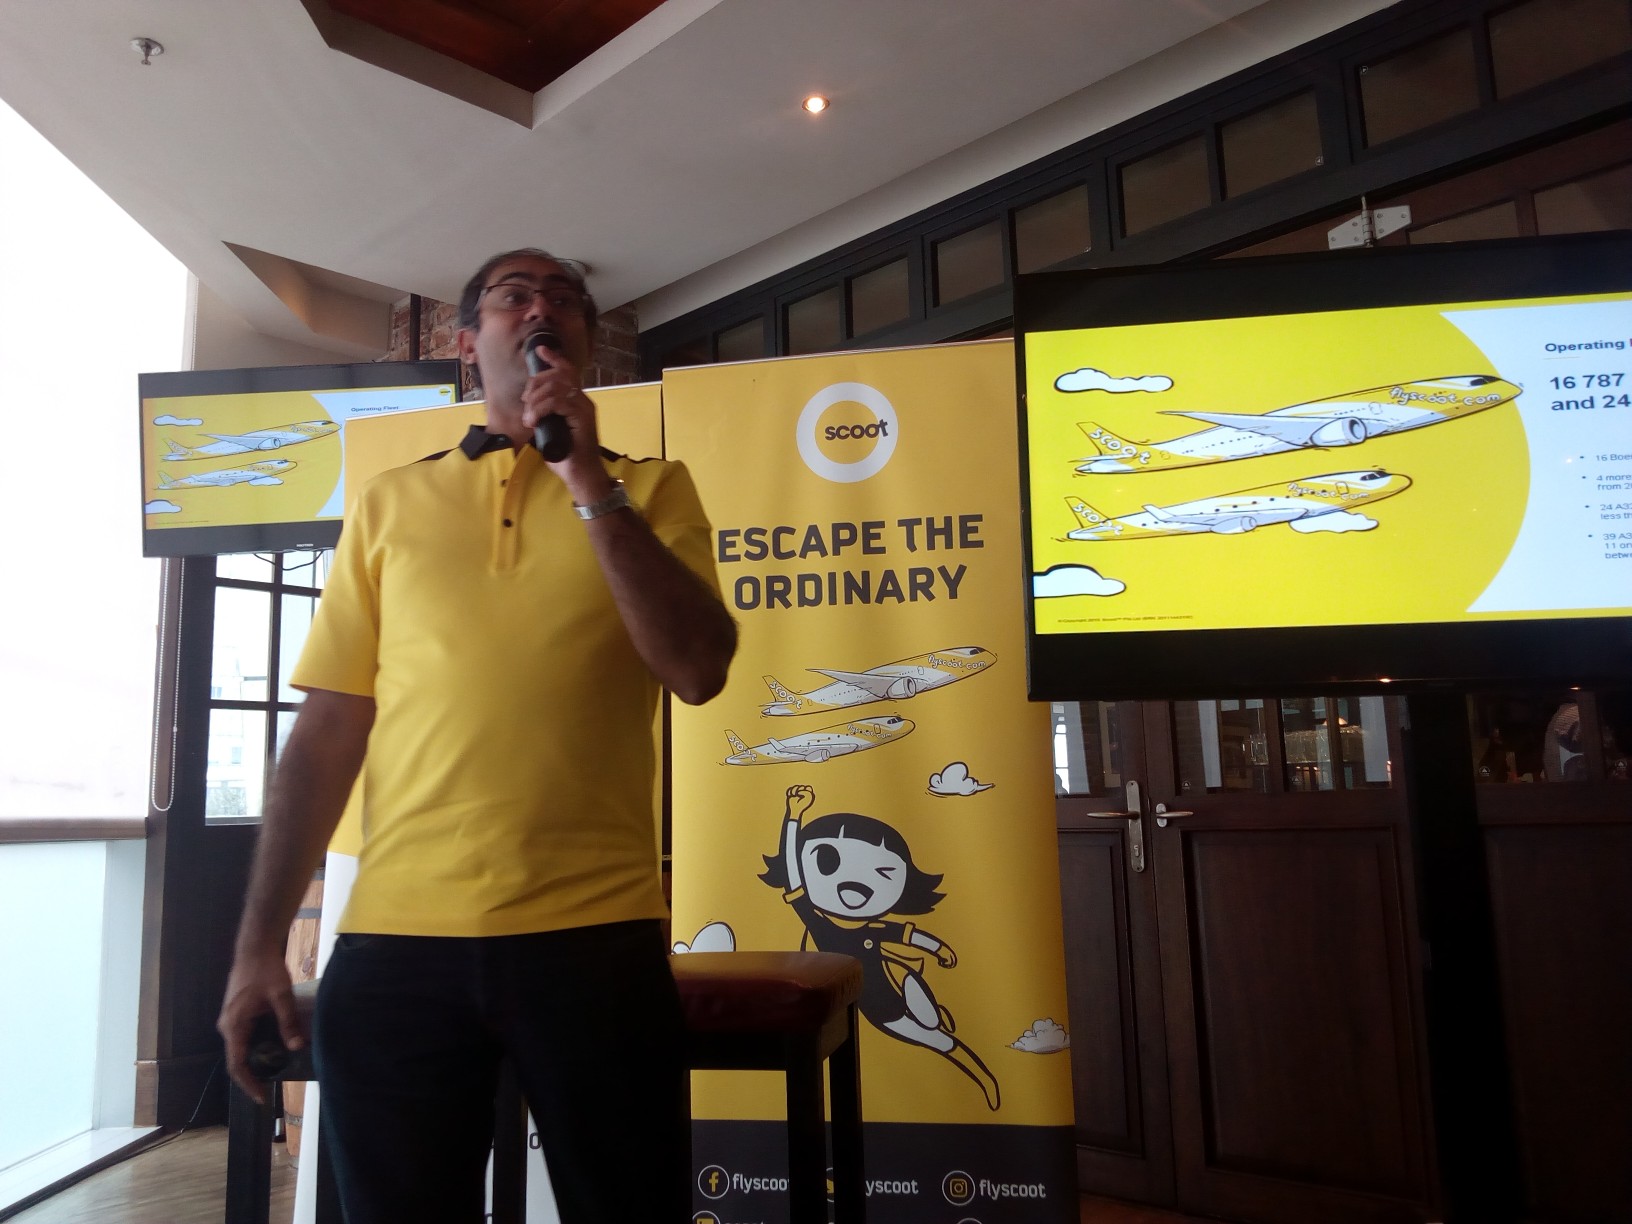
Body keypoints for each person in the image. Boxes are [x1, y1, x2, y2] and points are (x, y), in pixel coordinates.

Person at [217, 248, 737, 1223]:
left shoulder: (654, 489)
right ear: (467, 345)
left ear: (584, 344)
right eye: (514, 297)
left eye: (564, 300)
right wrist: (256, 949)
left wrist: (586, 476)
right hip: (396, 941)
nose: (542, 309)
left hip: (596, 936)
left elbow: (699, 669)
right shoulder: (389, 502)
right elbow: (325, 733)